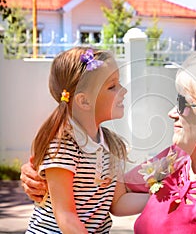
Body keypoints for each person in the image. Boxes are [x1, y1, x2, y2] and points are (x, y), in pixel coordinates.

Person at [21, 52, 196, 233]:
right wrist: (41, 177)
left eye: (182, 103)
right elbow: (116, 193)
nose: (171, 113)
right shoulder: (175, 159)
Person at [24, 46, 149, 234]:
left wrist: (160, 198)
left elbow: (118, 203)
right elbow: (66, 216)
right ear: (84, 101)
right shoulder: (63, 146)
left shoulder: (111, 145)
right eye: (112, 86)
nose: (123, 90)